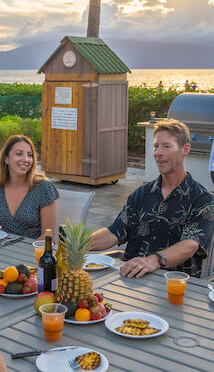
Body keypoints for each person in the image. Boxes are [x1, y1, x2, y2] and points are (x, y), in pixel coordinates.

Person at [90, 119, 214, 278]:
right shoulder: (141, 194)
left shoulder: (202, 200)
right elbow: (113, 232)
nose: (158, 153)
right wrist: (77, 245)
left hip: (173, 288)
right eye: (156, 146)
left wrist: (154, 261)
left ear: (185, 149)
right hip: (131, 281)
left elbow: (190, 244)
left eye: (166, 146)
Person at [0, 135, 58, 239]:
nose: (26, 159)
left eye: (30, 155)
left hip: (35, 251)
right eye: (19, 154)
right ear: (6, 159)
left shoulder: (44, 188)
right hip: (3, 250)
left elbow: (47, 236)